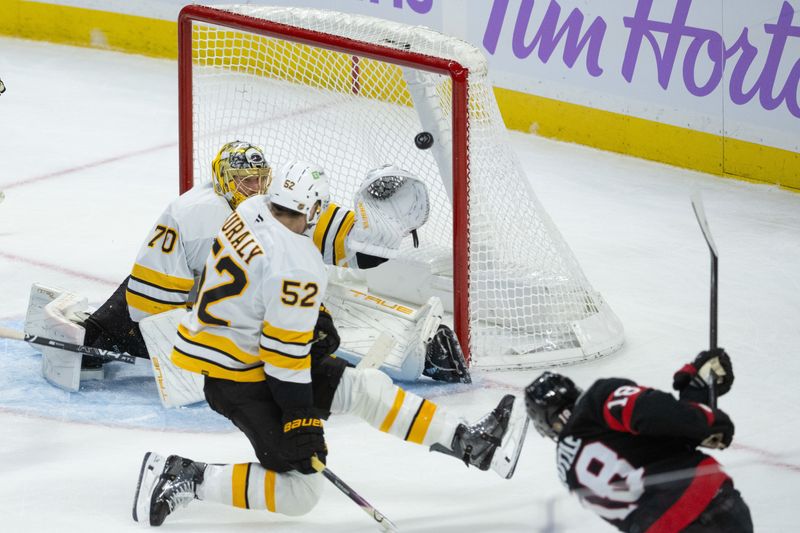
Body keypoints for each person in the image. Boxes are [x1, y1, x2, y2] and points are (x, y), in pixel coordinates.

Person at [132, 161, 528, 527]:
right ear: (312, 208)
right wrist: (300, 417)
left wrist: (311, 321)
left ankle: (468, 441)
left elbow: (278, 272)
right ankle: (184, 475)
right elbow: (283, 356)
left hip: (236, 350)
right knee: (301, 492)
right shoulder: (297, 268)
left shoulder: (252, 207)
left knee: (366, 386)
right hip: (239, 379)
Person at [27, 141, 467, 394]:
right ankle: (92, 335)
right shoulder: (197, 214)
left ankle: (91, 331)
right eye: (245, 181)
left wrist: (370, 227)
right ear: (223, 180)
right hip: (160, 314)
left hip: (190, 301)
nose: (254, 187)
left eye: (260, 179)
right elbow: (150, 298)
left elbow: (322, 228)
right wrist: (171, 348)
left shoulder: (256, 203)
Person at [524, 348, 752, 533]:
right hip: (707, 508)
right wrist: (705, 420)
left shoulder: (566, 472)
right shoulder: (595, 401)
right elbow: (653, 413)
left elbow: (650, 452)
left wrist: (694, 394)